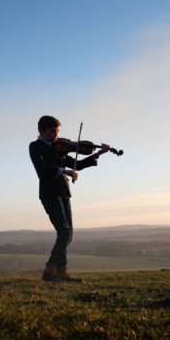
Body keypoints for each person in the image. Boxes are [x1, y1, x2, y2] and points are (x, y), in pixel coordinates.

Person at [29, 116, 110, 282]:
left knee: (68, 233)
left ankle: (61, 271)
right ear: (41, 130)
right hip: (49, 192)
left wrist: (99, 153)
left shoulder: (60, 149)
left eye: (57, 132)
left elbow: (77, 165)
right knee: (64, 231)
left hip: (64, 192)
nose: (56, 136)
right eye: (53, 131)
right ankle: (50, 269)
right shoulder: (35, 146)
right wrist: (64, 171)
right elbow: (41, 168)